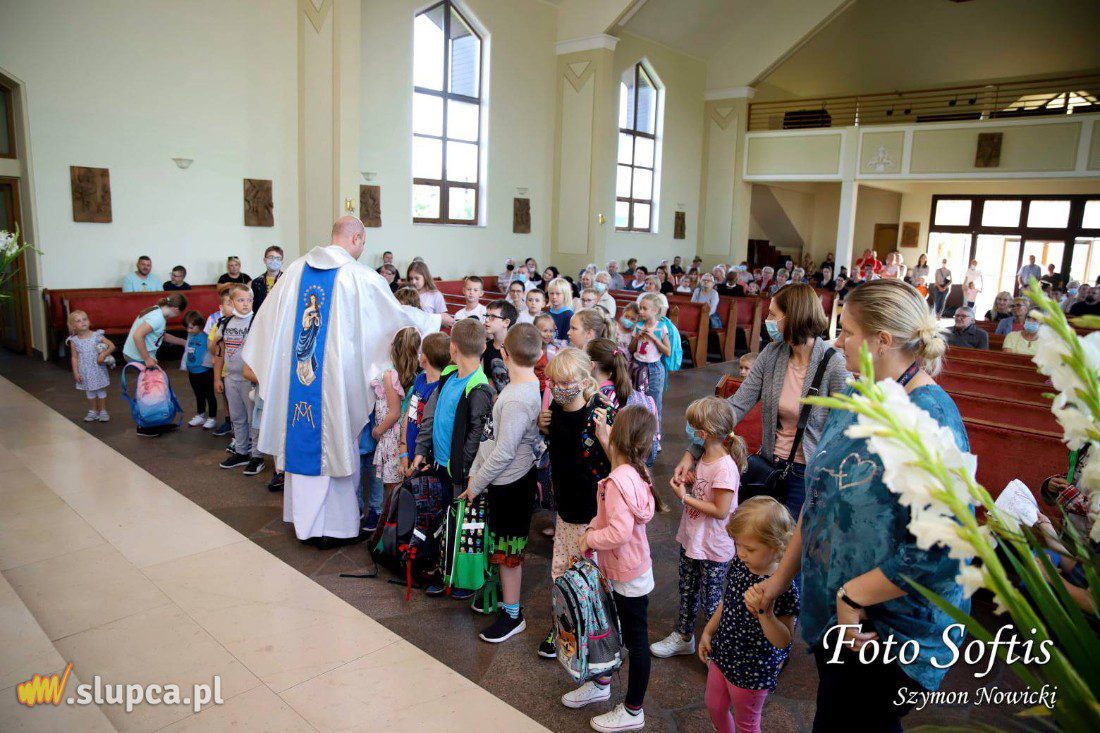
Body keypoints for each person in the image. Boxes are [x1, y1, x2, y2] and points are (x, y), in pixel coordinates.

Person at [750, 279, 969, 733]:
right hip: (840, 615)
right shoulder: (855, 396)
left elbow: (940, 549)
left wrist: (853, 597)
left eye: (847, 332)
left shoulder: (930, 418)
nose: (837, 341)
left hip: (886, 630)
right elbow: (819, 499)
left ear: (882, 341)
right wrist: (780, 579)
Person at [243, 217, 444, 547]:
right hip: (334, 386)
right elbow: (394, 317)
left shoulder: (294, 271)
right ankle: (334, 528)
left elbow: (269, 325)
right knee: (335, 446)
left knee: (308, 443)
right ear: (357, 239)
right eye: (363, 243)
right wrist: (435, 320)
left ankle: (305, 525)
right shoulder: (358, 276)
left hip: (300, 381)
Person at [675, 284, 848, 520]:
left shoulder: (833, 364)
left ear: (793, 317)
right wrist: (692, 452)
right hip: (769, 466)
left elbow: (843, 429)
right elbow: (735, 406)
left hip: (807, 472)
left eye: (773, 315)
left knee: (787, 537)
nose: (768, 321)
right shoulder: (772, 353)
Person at [565, 406, 660, 733]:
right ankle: (602, 683)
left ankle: (633, 710)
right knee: (611, 629)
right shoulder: (636, 471)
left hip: (625, 574)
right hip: (629, 570)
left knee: (635, 641)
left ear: (619, 436)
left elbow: (618, 531)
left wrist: (589, 538)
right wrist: (594, 528)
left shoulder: (618, 481)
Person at [461, 323, 543, 643]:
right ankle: (502, 601)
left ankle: (513, 615)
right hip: (503, 480)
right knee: (500, 548)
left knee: (509, 554)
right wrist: (476, 471)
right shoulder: (523, 387)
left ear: (505, 354)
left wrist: (476, 483)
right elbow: (491, 437)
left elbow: (505, 452)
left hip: (512, 484)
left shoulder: (517, 398)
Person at [538, 347, 617, 659]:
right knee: (561, 570)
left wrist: (605, 437)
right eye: (554, 382)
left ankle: (593, 631)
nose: (558, 388)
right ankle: (564, 626)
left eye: (565, 382)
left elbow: (619, 462)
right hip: (566, 506)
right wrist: (544, 426)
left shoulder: (601, 412)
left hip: (593, 511)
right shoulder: (556, 410)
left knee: (589, 575)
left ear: (585, 381)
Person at [652, 397, 745, 659]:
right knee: (687, 589)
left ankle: (717, 648)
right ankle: (684, 636)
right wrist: (693, 483)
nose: (689, 430)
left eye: (693, 426)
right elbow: (708, 492)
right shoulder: (704, 456)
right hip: (694, 538)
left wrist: (685, 497)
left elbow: (720, 510)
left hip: (713, 546)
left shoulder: (725, 467)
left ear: (705, 432)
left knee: (711, 601)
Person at [700, 497, 799, 733]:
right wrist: (708, 631)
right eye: (738, 545)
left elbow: (784, 640)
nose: (741, 553)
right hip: (724, 654)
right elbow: (727, 601)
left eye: (750, 549)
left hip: (753, 670)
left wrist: (765, 613)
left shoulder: (784, 589)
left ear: (777, 546)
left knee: (747, 724)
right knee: (714, 705)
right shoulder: (740, 565)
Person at [411, 318, 495, 595]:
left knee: (462, 527)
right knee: (442, 522)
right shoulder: (448, 375)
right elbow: (431, 415)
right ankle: (442, 569)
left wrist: (462, 470)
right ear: (484, 347)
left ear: (453, 347)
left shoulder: (479, 388)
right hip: (438, 463)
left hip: (459, 472)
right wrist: (422, 450)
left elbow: (476, 436)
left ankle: (461, 577)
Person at [214, 284, 264, 475]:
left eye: (249, 300)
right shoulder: (225, 323)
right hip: (230, 378)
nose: (245, 304)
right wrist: (218, 378)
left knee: (253, 419)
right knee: (237, 417)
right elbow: (219, 352)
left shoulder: (256, 322)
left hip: (249, 380)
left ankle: (257, 456)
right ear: (232, 302)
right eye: (241, 300)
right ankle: (242, 452)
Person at [370, 327, 420, 502]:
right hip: (403, 435)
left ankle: (392, 517)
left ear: (394, 346)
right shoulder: (417, 374)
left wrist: (377, 431)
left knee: (393, 489)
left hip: (392, 436)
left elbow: (395, 412)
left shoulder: (389, 375)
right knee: (398, 486)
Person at [67, 310, 114, 422]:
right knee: (90, 391)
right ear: (73, 326)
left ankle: (103, 411)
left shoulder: (97, 336)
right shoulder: (74, 341)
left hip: (98, 369)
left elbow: (111, 346)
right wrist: (76, 372)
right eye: (78, 321)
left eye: (84, 319)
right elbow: (74, 357)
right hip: (85, 371)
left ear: (89, 321)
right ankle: (93, 411)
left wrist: (103, 354)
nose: (83, 322)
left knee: (100, 390)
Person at [632, 293, 671, 420]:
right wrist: (637, 338)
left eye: (645, 309)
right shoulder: (638, 325)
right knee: (637, 400)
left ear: (655, 310)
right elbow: (631, 349)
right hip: (638, 366)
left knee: (654, 402)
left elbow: (667, 351)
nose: (641, 311)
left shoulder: (661, 327)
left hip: (654, 368)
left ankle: (655, 429)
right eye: (640, 308)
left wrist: (654, 338)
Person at [123, 293, 188, 367]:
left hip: (134, 354)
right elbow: (137, 336)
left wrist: (182, 341)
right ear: (176, 309)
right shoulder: (157, 318)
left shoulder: (157, 309)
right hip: (137, 357)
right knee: (156, 374)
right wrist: (147, 359)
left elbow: (161, 335)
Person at [182, 310, 217, 429]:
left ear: (200, 325)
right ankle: (200, 415)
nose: (188, 330)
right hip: (193, 371)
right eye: (187, 328)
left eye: (191, 328)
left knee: (209, 394)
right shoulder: (190, 336)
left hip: (205, 371)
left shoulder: (206, 336)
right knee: (198, 394)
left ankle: (212, 417)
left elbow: (213, 349)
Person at [484, 299, 518, 393]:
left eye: (492, 317)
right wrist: (495, 396)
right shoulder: (486, 347)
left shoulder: (516, 348)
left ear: (506, 322)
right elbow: (488, 376)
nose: (486, 319)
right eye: (486, 316)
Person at [251, 246, 284, 312]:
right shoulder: (257, 282)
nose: (274, 260)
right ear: (264, 260)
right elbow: (255, 306)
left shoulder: (286, 280)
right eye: (271, 257)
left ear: (282, 262)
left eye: (278, 258)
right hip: (262, 315)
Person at [546, 277, 575, 342]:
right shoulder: (546, 312)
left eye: (558, 293)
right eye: (551, 293)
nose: (554, 297)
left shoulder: (569, 315)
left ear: (565, 294)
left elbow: (567, 340)